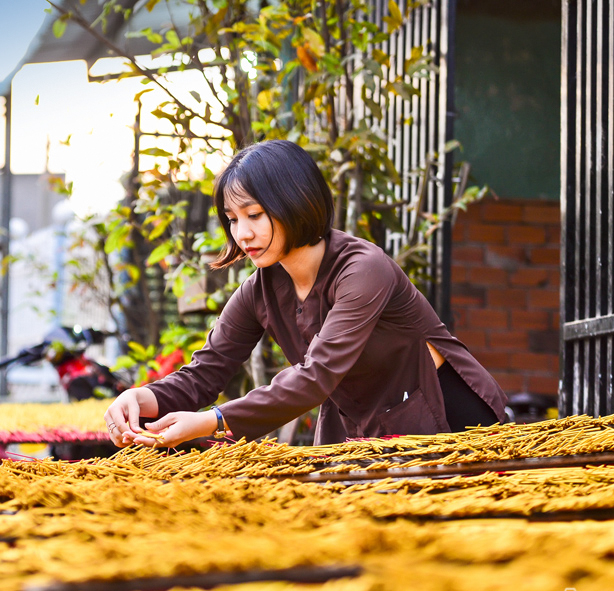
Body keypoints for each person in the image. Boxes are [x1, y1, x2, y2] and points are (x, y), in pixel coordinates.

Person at [104, 140, 507, 448]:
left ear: (294, 201)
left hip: (450, 420)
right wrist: (144, 396)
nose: (242, 233)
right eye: (232, 220)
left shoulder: (363, 269)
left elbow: (316, 376)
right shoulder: (259, 291)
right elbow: (206, 373)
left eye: (254, 215)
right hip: (368, 432)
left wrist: (214, 420)